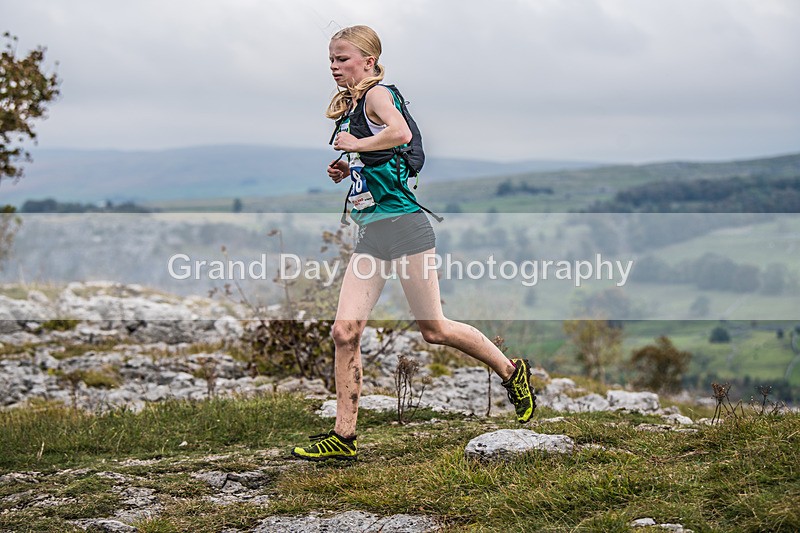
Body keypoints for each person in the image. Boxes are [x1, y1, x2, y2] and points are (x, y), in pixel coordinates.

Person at [291, 25, 535, 462]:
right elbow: (386, 160)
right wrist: (350, 170)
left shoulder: (377, 95)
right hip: (372, 234)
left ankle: (512, 372)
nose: (333, 66)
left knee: (434, 330)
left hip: (406, 229)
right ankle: (343, 438)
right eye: (330, 59)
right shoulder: (352, 105)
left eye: (342, 58)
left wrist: (358, 143)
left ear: (368, 60)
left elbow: (400, 134)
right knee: (344, 331)